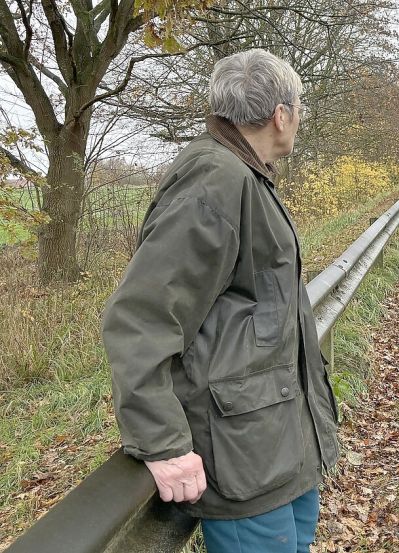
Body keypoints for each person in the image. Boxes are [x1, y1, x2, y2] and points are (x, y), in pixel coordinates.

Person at [101, 49, 339, 553]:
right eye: (300, 108)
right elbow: (140, 317)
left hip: (279, 445)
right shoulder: (215, 180)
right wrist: (163, 443)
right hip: (244, 460)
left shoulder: (242, 172)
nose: (300, 119)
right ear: (282, 114)